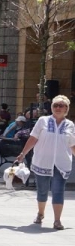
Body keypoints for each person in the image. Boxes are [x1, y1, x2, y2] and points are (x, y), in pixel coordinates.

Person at [14, 96, 75, 230]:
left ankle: (57, 220)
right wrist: (23, 154)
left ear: (66, 108)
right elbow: (33, 139)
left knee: (58, 191)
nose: (58, 108)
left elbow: (72, 144)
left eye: (61, 105)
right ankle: (40, 213)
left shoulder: (70, 125)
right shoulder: (43, 121)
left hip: (62, 163)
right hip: (43, 161)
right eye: (55, 105)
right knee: (42, 191)